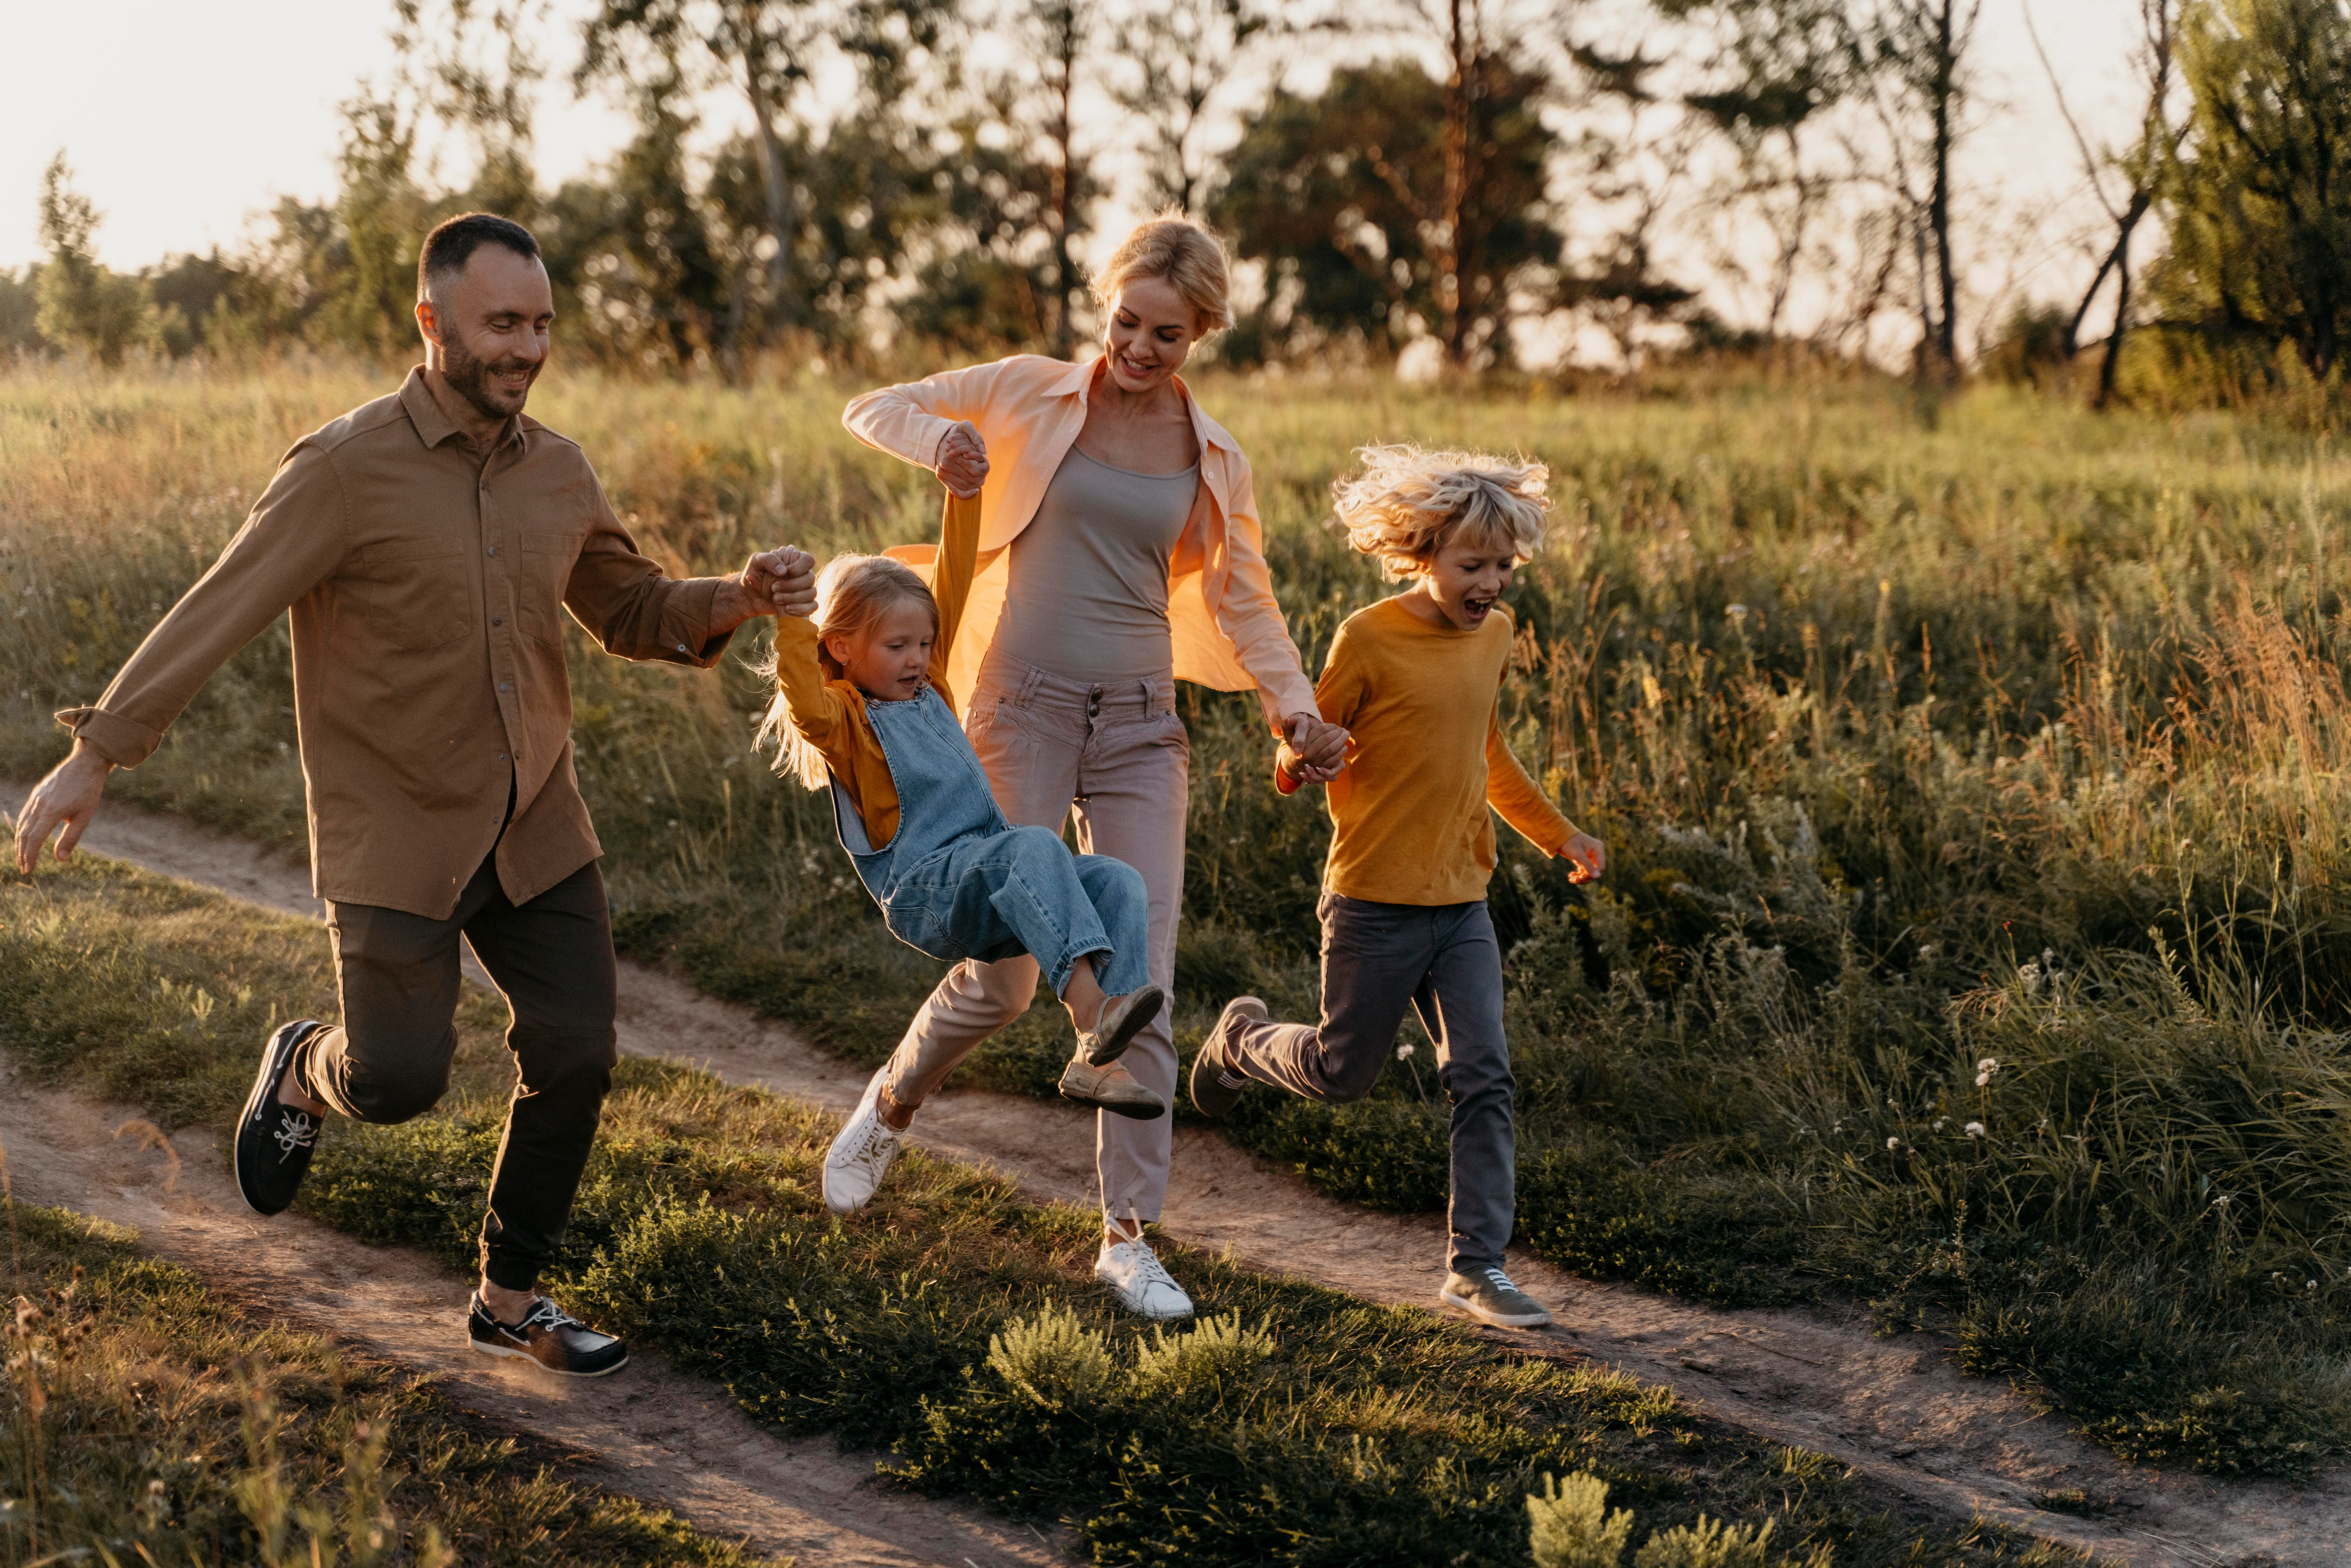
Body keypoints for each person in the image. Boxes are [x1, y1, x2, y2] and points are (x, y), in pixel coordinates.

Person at [9, 212, 814, 1378]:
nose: (526, 348)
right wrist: (101, 752)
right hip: (396, 827)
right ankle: (303, 1069)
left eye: (539, 323)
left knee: (578, 1050)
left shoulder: (559, 471)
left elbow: (630, 612)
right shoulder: (343, 468)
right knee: (396, 1079)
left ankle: (509, 1297)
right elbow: (220, 605)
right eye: (501, 324)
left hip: (535, 817)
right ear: (432, 322)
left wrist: (733, 597)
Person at [838, 214, 1349, 1321]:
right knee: (1008, 972)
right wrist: (943, 447)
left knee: (1139, 974)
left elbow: (1244, 601)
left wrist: (1295, 709)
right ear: (1106, 308)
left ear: (1200, 332)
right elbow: (874, 405)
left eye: (1167, 333)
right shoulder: (1030, 389)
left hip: (1139, 725)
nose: (1138, 347)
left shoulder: (1212, 455)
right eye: (1125, 321)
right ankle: (890, 1103)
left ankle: (1128, 1237)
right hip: (1017, 708)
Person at [1186, 444, 1608, 1331]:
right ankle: (1242, 1041)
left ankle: (1477, 1267)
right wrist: (1307, 757)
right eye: (1471, 565)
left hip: (1462, 902)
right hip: (1374, 901)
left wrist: (1559, 833)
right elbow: (1298, 751)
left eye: (1503, 565)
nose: (1490, 582)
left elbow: (1488, 756)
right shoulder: (1368, 638)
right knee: (1343, 1075)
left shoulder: (1493, 638)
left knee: (1484, 1076)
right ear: (1422, 555)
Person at [761, 498, 1168, 1215]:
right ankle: (1090, 1016)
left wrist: (965, 492)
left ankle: (1100, 1061)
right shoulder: (845, 722)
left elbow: (951, 578)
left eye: (924, 643)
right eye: (897, 647)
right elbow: (800, 689)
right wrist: (792, 611)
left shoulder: (931, 686)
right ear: (843, 649)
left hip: (984, 878)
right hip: (926, 895)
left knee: (1116, 881)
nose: (917, 658)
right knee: (1034, 847)